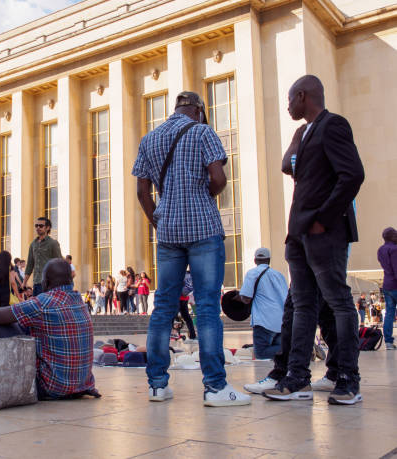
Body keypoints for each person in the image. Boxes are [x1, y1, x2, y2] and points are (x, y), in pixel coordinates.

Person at [133, 90, 250, 406]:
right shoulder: (202, 131)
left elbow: (142, 191)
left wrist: (158, 220)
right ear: (198, 110)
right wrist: (206, 194)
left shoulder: (150, 139)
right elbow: (218, 177)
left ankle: (157, 384)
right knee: (207, 307)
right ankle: (215, 387)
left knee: (164, 308)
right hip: (202, 228)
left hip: (168, 230)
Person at [263, 75, 365, 405]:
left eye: (290, 99)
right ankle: (297, 378)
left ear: (303, 96)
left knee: (338, 301)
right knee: (303, 304)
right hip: (300, 233)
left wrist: (324, 218)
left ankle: (348, 379)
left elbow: (352, 174)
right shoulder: (305, 132)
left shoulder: (333, 125)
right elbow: (292, 172)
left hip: (324, 231)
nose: (288, 105)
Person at [0, 258, 98, 400]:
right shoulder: (79, 301)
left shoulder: (43, 302)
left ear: (45, 282)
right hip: (82, 385)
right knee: (21, 324)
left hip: (53, 387)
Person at [236, 248, 288, 360]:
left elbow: (246, 298)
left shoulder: (252, 273)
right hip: (281, 320)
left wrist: (236, 297)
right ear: (269, 260)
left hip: (264, 320)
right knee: (277, 351)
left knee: (261, 353)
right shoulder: (279, 275)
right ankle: (297, 350)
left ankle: (294, 350)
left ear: (255, 260)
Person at [22, 217, 62, 296]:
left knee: (46, 308)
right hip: (36, 283)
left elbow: (59, 264)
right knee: (37, 307)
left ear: (48, 228)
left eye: (41, 226)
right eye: (36, 226)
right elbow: (30, 265)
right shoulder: (33, 244)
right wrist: (24, 283)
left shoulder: (53, 243)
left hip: (49, 283)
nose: (38, 228)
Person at [378, 227, 397, 350]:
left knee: (389, 313)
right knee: (390, 313)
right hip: (395, 285)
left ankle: (388, 342)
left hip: (387, 285)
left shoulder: (381, 250)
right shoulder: (394, 249)